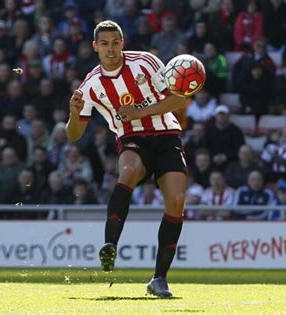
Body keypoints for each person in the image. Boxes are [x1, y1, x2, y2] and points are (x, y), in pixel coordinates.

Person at [65, 20, 187, 297]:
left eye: (115, 42)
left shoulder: (146, 62)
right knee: (128, 170)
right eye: (104, 44)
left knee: (177, 202)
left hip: (167, 136)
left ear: (123, 42)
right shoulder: (91, 85)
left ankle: (159, 279)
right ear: (95, 47)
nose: (111, 49)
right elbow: (73, 134)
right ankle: (110, 245)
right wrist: (74, 114)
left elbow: (180, 99)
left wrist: (140, 113)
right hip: (132, 139)